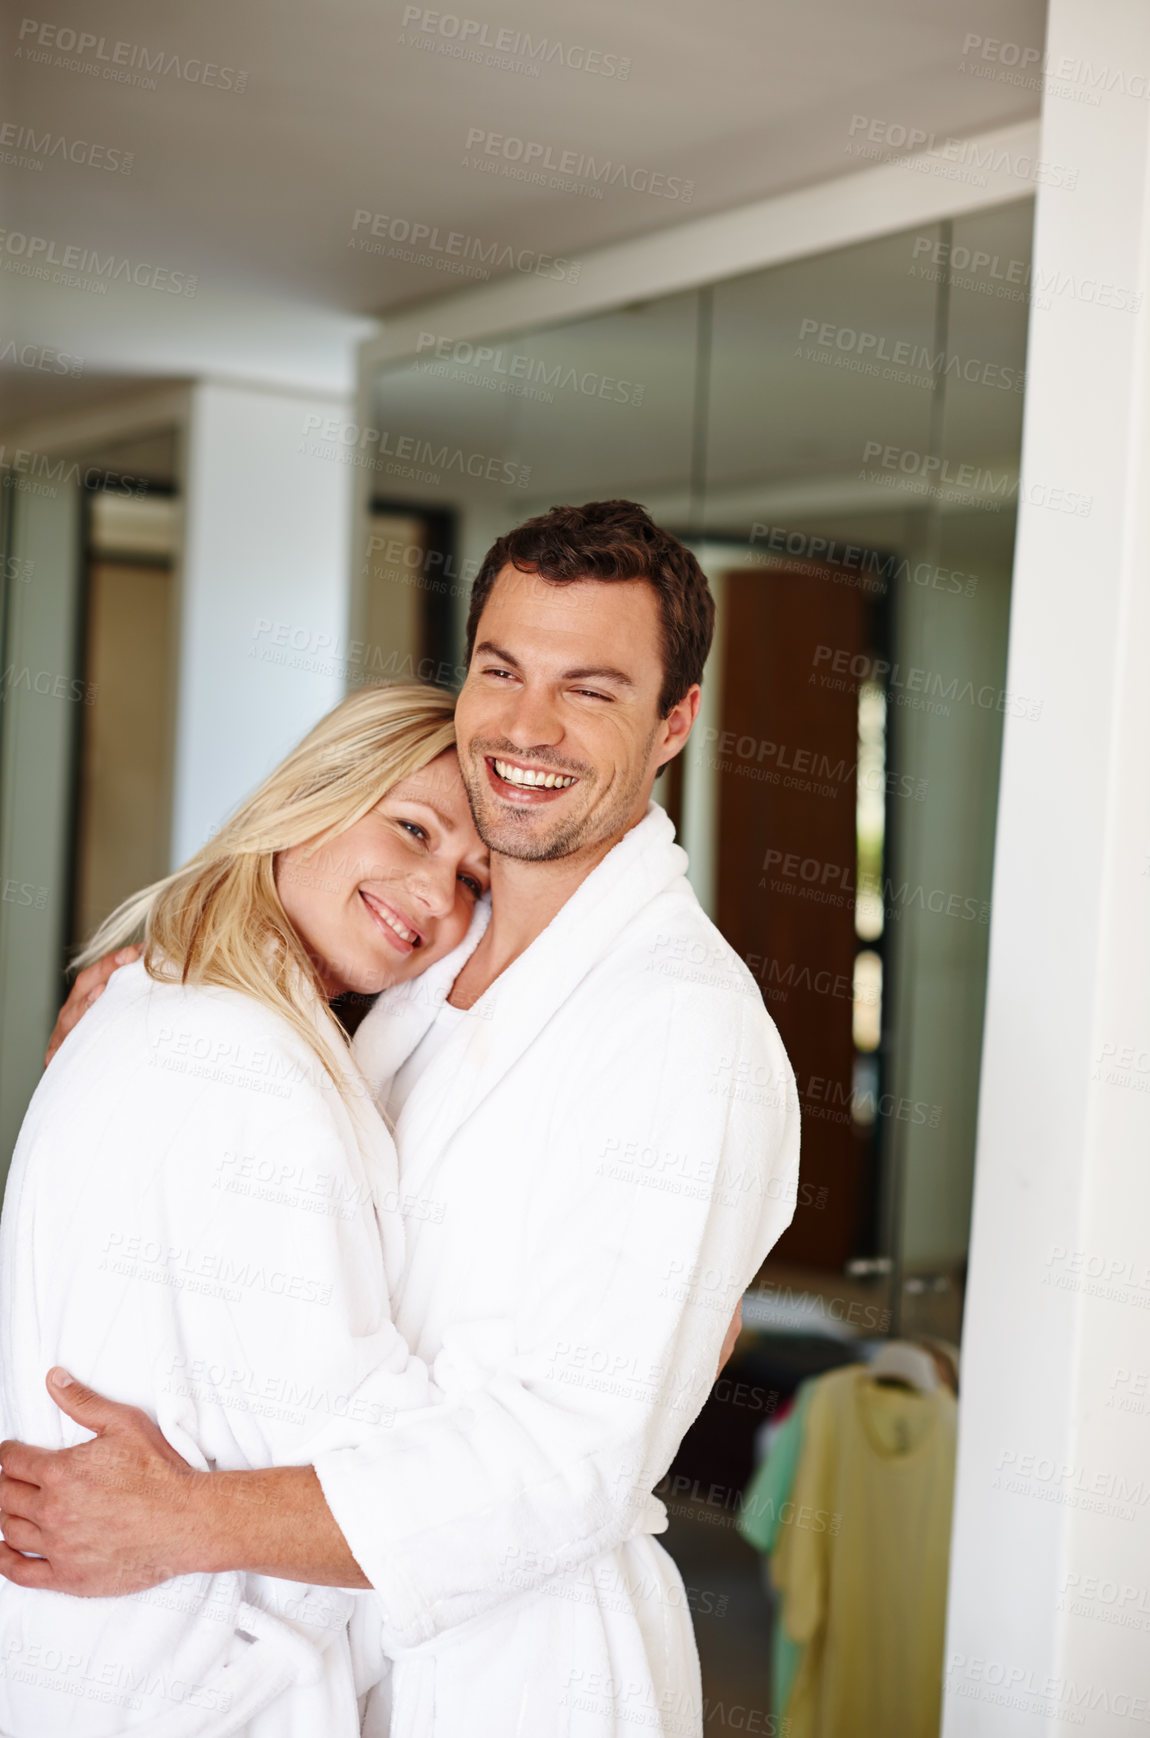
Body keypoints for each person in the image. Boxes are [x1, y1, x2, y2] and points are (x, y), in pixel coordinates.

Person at [1, 500, 801, 1737]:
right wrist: (180, 967)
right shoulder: (425, 967)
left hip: (520, 1673)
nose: (527, 727)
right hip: (325, 1653)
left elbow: (567, 1460)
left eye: (590, 690)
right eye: (501, 669)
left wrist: (178, 1518)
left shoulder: (683, 1030)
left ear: (672, 725)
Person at [0, 683, 491, 1735]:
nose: (434, 896)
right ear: (310, 796)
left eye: (470, 881)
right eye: (412, 827)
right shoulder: (248, 1067)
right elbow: (377, 1476)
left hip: (101, 1666)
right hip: (197, 1688)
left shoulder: (156, 1002)